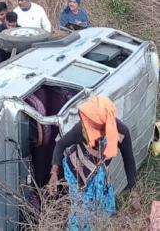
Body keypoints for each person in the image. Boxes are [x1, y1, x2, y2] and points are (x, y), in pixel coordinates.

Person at [49, 95, 140, 230]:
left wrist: (134, 192)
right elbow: (61, 144)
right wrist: (54, 172)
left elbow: (129, 161)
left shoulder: (121, 132)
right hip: (77, 173)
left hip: (99, 173)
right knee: (81, 214)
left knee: (103, 208)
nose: (87, 127)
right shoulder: (82, 128)